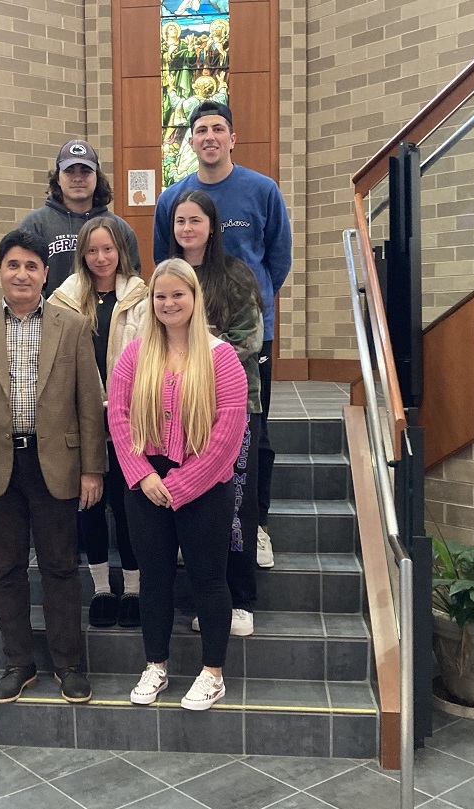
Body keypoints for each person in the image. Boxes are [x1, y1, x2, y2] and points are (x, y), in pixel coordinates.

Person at [0, 229, 106, 705]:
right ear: (0, 271)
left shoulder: (71, 327)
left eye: (32, 266)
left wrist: (92, 469)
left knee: (60, 567)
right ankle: (18, 663)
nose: (22, 274)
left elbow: (89, 405)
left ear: (45, 274)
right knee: (5, 570)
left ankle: (69, 664)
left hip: (57, 464)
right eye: (13, 264)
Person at [153, 100, 291, 570]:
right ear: (190, 140)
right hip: (180, 347)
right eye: (200, 130)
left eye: (218, 129)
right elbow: (165, 263)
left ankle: (258, 526)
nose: (209, 136)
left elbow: (278, 259)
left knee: (255, 435)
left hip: (248, 335)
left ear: (232, 138)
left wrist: (255, 302)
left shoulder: (262, 189)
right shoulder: (174, 197)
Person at [107, 259, 247, 711]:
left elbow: (228, 430)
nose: (168, 303)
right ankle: (156, 665)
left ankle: (212, 673)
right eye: (160, 296)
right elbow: (119, 417)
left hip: (205, 486)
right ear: (152, 302)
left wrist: (183, 484)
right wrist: (142, 474)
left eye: (177, 295)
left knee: (209, 579)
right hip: (145, 485)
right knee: (155, 579)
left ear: (193, 298)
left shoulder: (221, 357)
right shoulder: (135, 355)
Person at [167, 190, 264, 638]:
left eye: (195, 220)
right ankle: (207, 596)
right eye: (180, 220)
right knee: (198, 509)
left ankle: (241, 598)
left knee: (236, 505)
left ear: (212, 226)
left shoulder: (236, 274)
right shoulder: (168, 277)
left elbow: (250, 340)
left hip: (234, 408)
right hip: (177, 415)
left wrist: (194, 348)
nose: (187, 228)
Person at [48, 217, 150, 628]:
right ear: (82, 254)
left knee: (128, 506)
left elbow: (149, 353)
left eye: (108, 249)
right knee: (89, 504)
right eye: (92, 250)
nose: (100, 257)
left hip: (128, 414)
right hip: (80, 414)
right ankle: (102, 590)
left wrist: (124, 403)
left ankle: (134, 590)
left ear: (120, 251)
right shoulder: (63, 298)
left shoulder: (140, 297)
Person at [21, 139, 141, 299]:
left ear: (97, 177)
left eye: (85, 171)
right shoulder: (35, 225)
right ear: (58, 178)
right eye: (69, 171)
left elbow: (132, 285)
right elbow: (25, 280)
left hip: (108, 321)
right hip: (52, 319)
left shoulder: (119, 228)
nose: (78, 178)